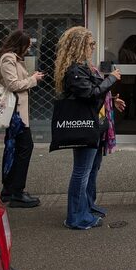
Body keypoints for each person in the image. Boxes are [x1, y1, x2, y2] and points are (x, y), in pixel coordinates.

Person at [55, 27, 123, 230]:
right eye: (91, 44)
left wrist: (113, 99)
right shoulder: (75, 70)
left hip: (95, 123)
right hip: (85, 125)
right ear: (79, 46)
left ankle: (87, 206)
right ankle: (75, 216)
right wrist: (111, 78)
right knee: (81, 172)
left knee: (92, 168)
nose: (93, 48)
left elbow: (96, 93)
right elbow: (90, 94)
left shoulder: (84, 67)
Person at [0, 31, 45, 208]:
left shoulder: (13, 58)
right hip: (16, 115)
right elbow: (13, 84)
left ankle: (9, 190)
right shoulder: (8, 58)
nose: (29, 48)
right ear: (19, 44)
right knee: (24, 148)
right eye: (27, 45)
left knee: (13, 148)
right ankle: (16, 192)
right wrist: (33, 79)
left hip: (18, 113)